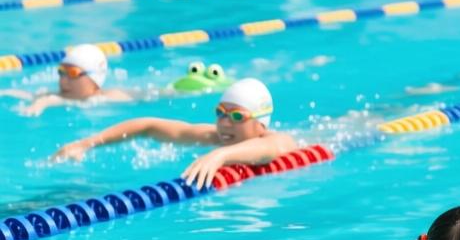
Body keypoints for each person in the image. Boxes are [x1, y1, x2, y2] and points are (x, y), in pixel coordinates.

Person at [52, 77, 297, 189]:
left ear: (261, 124)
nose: (225, 123)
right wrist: (87, 143)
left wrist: (218, 156)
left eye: (236, 116)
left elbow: (269, 150)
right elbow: (147, 125)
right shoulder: (210, 135)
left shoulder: (278, 140)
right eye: (220, 112)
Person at [0, 44, 132, 116]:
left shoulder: (115, 97)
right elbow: (32, 96)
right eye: (61, 72)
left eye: (73, 73)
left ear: (95, 79)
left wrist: (42, 104)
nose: (63, 80)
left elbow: (49, 101)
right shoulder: (55, 95)